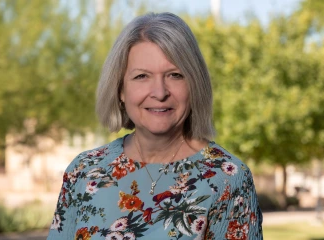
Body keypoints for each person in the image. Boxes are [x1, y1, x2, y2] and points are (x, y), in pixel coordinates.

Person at [47, 12, 263, 240]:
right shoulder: (84, 171)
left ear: (194, 85)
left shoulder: (228, 178)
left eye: (175, 75)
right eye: (142, 76)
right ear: (120, 89)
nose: (159, 93)